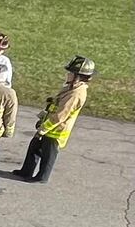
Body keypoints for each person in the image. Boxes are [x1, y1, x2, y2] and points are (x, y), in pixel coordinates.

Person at [15, 57, 95, 185]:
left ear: (78, 76)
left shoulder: (76, 94)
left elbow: (60, 115)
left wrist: (43, 129)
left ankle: (42, 177)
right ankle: (26, 171)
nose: (67, 75)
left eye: (70, 73)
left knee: (48, 155)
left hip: (56, 130)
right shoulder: (71, 88)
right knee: (34, 147)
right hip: (49, 126)